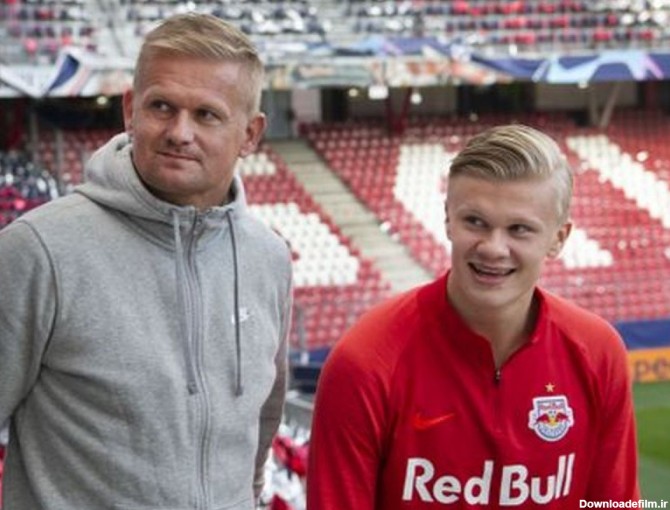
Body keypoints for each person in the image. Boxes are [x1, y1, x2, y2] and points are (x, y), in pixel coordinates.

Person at [0, 13, 293, 509]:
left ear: (250, 134)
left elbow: (260, 425)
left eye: (207, 115)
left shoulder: (269, 259)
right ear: (130, 110)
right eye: (161, 106)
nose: (180, 132)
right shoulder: (38, 251)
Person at [307, 124, 639, 508]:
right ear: (448, 219)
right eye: (475, 222)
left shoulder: (597, 352)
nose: (493, 248)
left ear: (558, 239)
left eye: (519, 229)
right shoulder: (366, 361)